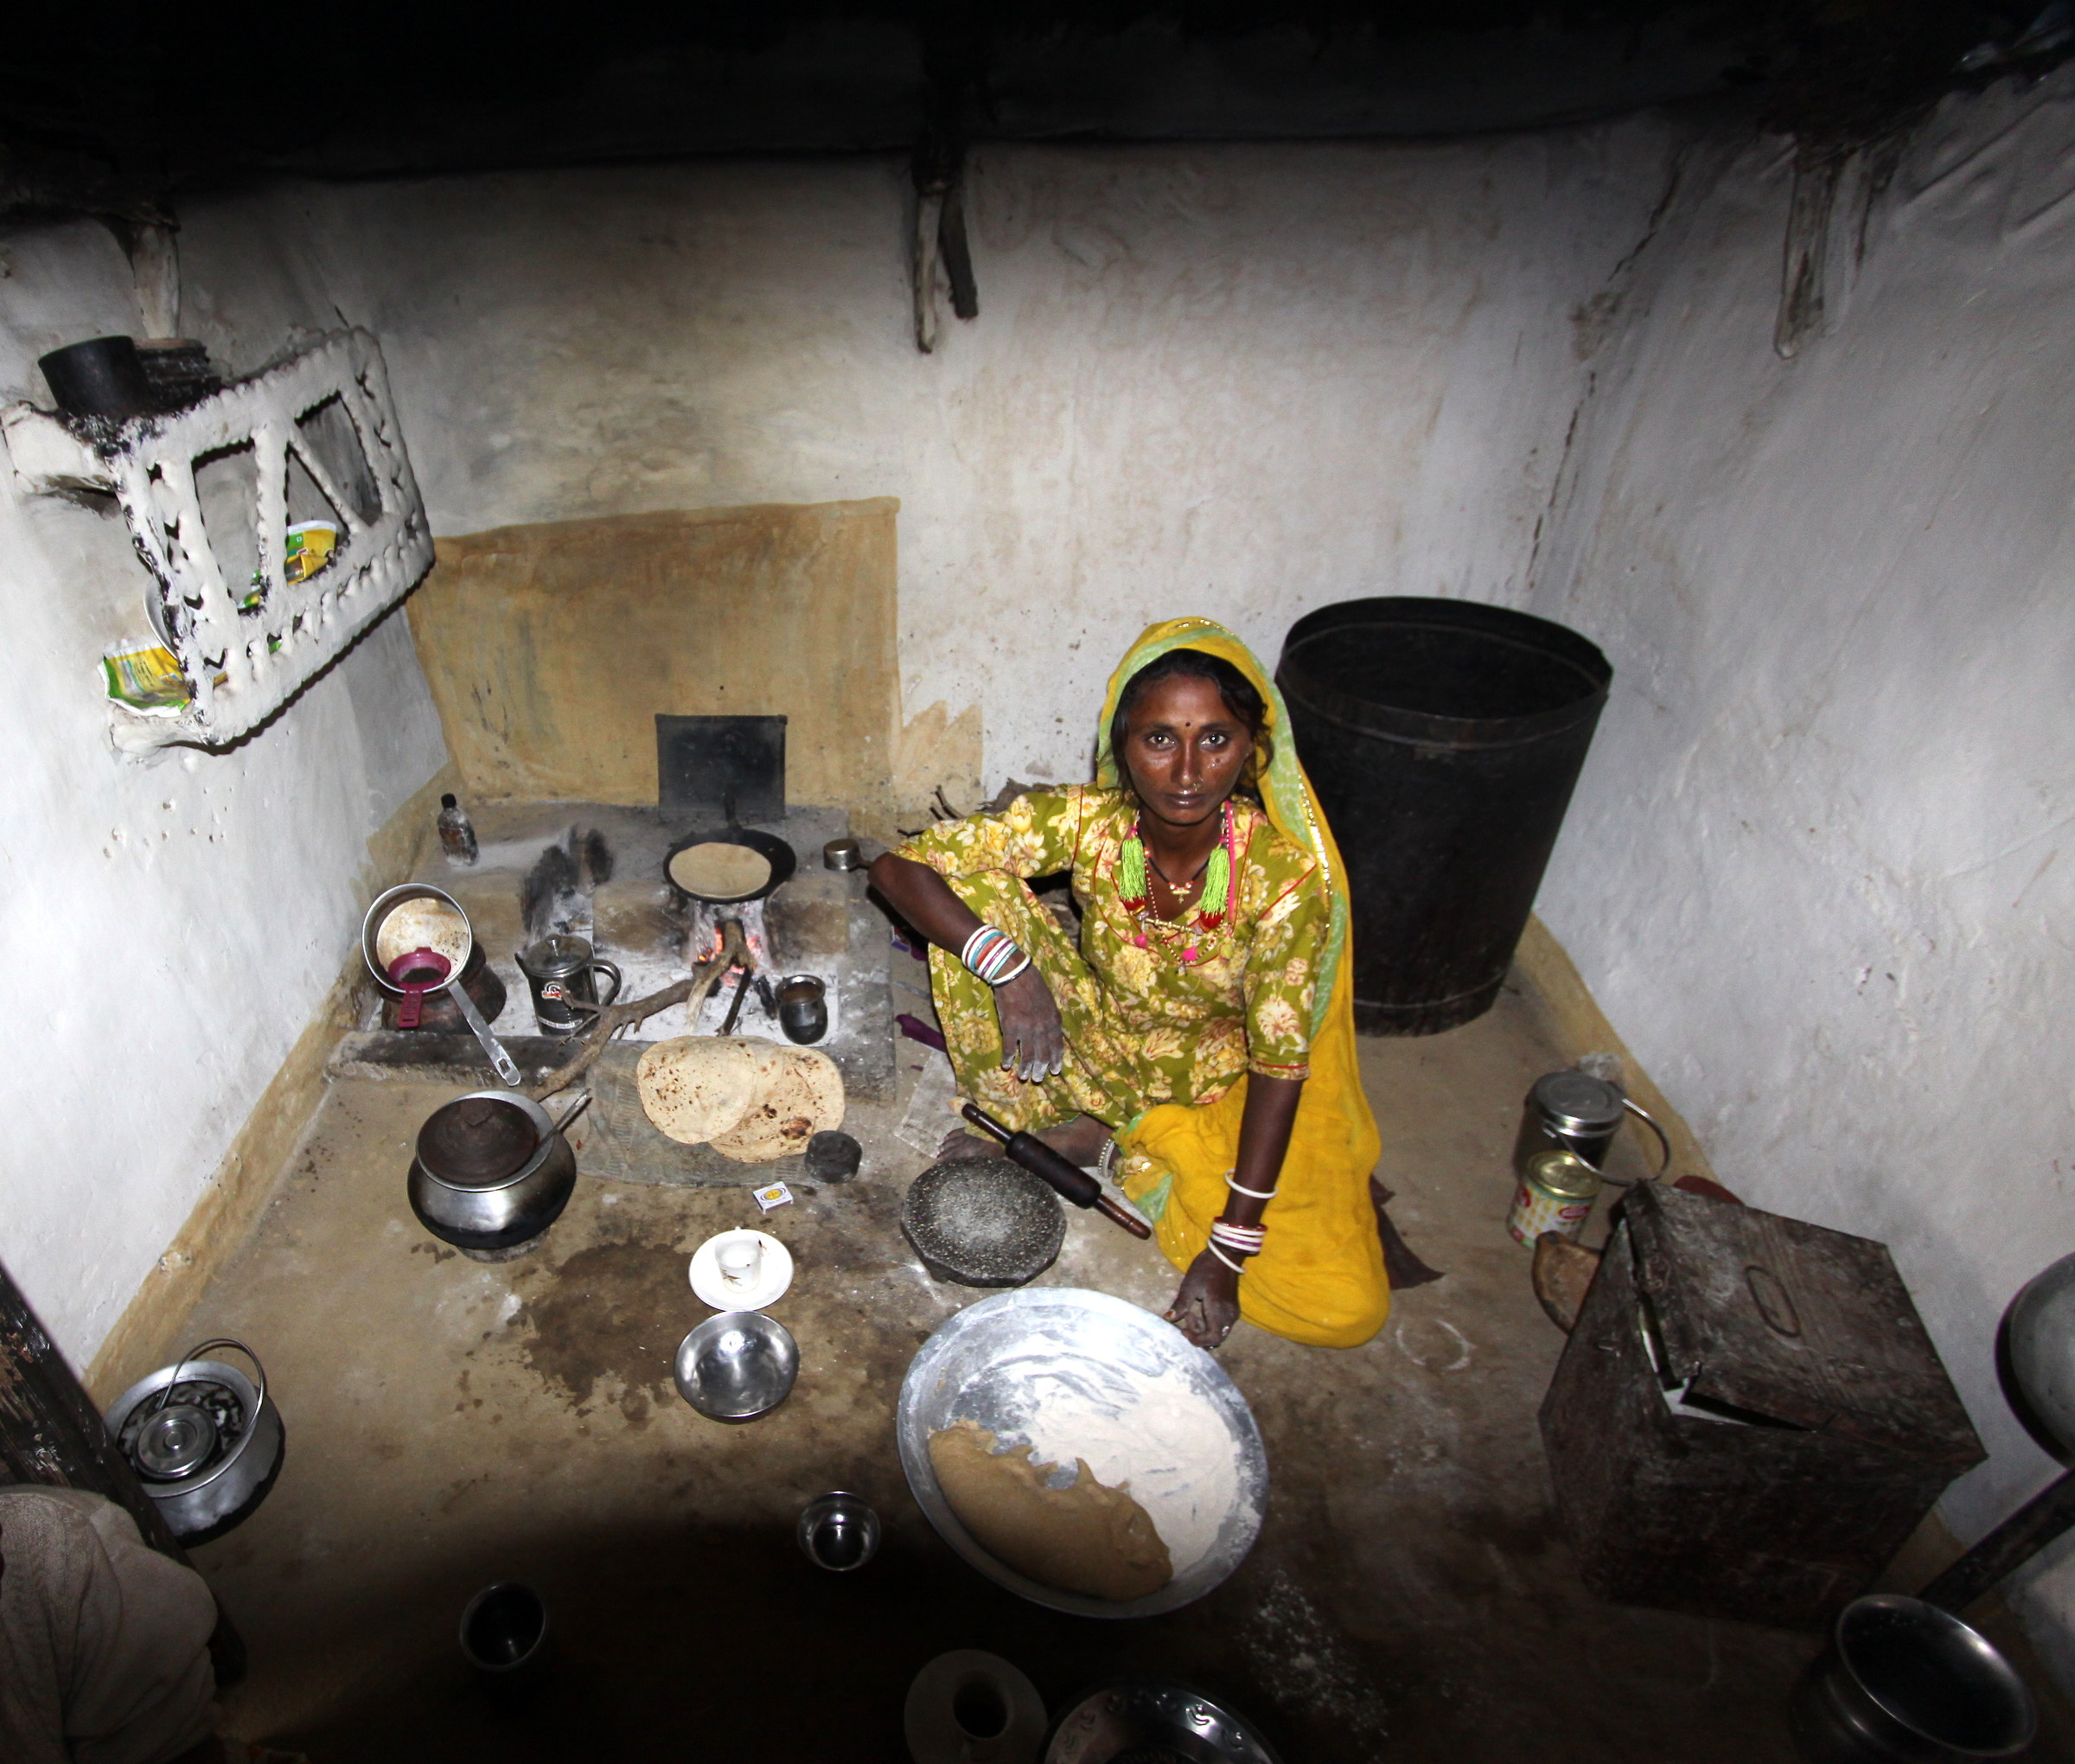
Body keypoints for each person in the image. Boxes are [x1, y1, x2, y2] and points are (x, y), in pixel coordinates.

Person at [871, 617, 1389, 1350]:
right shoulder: (1094, 823)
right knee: (973, 897)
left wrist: (1228, 1251)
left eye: (1215, 739)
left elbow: (1278, 1068)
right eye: (1158, 740)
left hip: (1203, 1090)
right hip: (1095, 1037)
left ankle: (1099, 1136)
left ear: (1249, 752)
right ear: (1123, 746)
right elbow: (897, 867)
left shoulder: (1281, 883)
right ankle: (1056, 1119)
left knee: (1342, 1304)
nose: (1185, 772)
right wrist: (1010, 968)